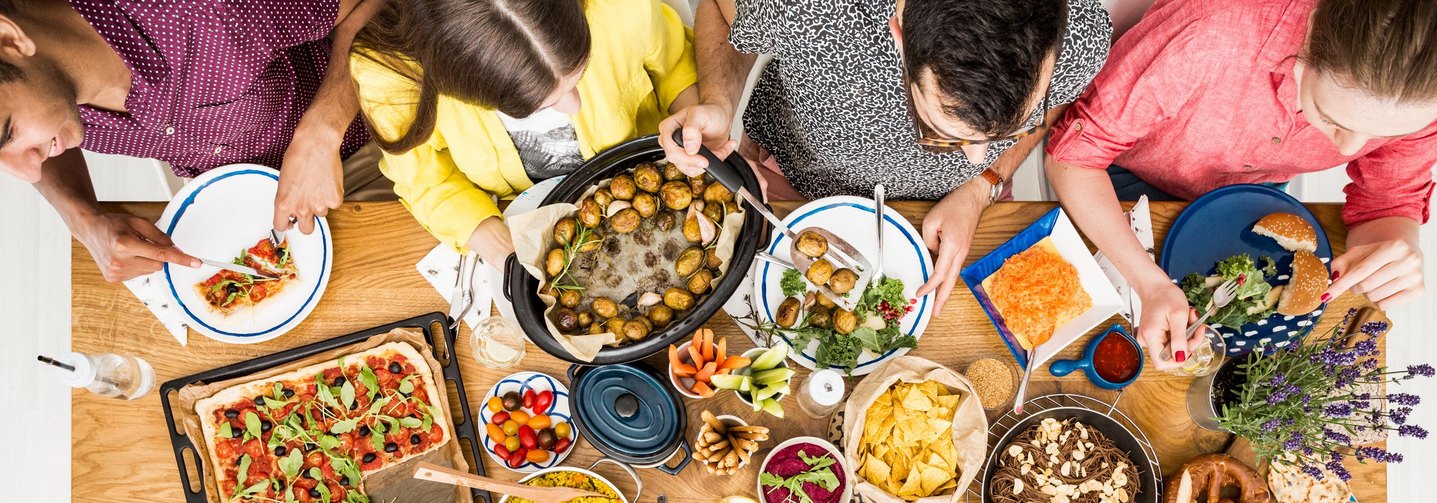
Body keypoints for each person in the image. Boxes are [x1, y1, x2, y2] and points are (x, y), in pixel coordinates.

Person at [1045, 0, 1437, 368]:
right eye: (1332, 119)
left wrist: (1394, 245)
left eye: (1380, 136)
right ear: (1314, 30)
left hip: (1252, 199)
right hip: (1120, 180)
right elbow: (1072, 158)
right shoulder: (1211, 29)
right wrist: (1149, 284)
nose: (1350, 148)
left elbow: (1386, 202)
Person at [657, 0, 1112, 313]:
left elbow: (1053, 107)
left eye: (1006, 129)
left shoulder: (1082, 33)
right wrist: (720, 104)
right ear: (899, 31)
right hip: (789, 176)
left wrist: (982, 185)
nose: (976, 156)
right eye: (941, 130)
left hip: (960, 211)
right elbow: (719, 9)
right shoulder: (808, 8)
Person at [0, 0, 381, 282]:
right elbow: (44, 146)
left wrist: (322, 129)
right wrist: (81, 216)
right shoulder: (46, 89)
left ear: (9, 40)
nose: (29, 168)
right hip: (243, 201)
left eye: (10, 131)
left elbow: (380, 4)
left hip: (369, 139)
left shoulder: (202, 10)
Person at [349, 0, 697, 268]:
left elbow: (675, 66)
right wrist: (502, 249)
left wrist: (692, 122)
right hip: (510, 208)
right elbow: (425, 182)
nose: (574, 106)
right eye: (543, 105)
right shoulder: (391, 76)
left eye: (582, 71)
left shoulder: (619, 7)